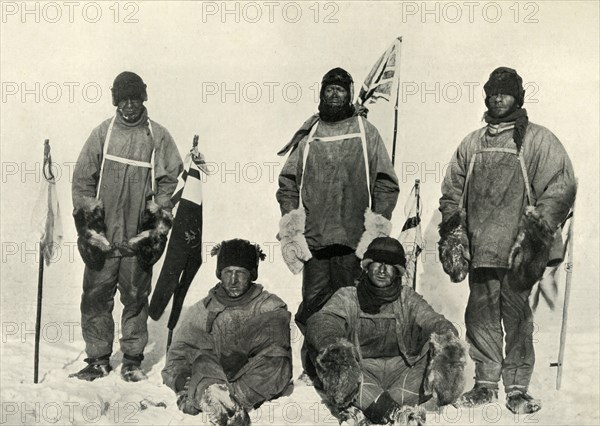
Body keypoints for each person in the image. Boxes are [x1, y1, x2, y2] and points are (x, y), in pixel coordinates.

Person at [438, 67, 576, 414]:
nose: (498, 98)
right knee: (480, 317)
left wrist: (536, 229)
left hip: (519, 252)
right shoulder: (472, 143)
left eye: (506, 92)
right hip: (482, 247)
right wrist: (454, 229)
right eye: (493, 92)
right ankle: (485, 384)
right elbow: (452, 190)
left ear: (518, 97)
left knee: (516, 319)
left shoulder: (539, 140)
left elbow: (561, 186)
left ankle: (517, 389)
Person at [276, 67, 400, 381]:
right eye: (329, 88)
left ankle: (354, 365)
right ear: (321, 93)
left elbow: (386, 182)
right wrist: (292, 225)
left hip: (354, 241)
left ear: (349, 93)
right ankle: (315, 368)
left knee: (355, 305)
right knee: (314, 307)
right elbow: (288, 182)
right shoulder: (311, 134)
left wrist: (377, 227)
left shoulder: (364, 130)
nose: (334, 94)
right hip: (316, 240)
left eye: (340, 89)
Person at [70, 71, 183, 382]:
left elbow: (170, 179)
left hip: (135, 239)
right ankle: (98, 359)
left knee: (135, 298)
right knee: (95, 297)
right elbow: (82, 180)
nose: (130, 106)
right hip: (104, 238)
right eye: (123, 100)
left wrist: (155, 220)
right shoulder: (103, 134)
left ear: (143, 98)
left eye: (135, 99)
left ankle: (132, 359)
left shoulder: (157, 136)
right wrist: (90, 227)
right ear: (116, 101)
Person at [306, 237, 468, 426]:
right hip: (361, 371)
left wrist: (448, 343)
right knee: (336, 365)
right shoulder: (348, 296)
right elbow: (323, 321)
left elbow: (434, 321)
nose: (382, 269)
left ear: (397, 271)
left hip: (402, 374)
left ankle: (369, 408)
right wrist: (331, 345)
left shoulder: (407, 298)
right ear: (367, 266)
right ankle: (392, 412)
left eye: (390, 265)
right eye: (377, 263)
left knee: (431, 358)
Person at [162, 239, 292, 425]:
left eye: (240, 273)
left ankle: (220, 399)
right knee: (202, 361)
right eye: (228, 272)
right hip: (214, 372)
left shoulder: (268, 305)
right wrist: (183, 383)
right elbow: (177, 357)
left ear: (252, 274)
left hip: (253, 374)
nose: (233, 280)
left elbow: (278, 352)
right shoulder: (203, 310)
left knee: (278, 362)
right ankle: (217, 398)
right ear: (219, 274)